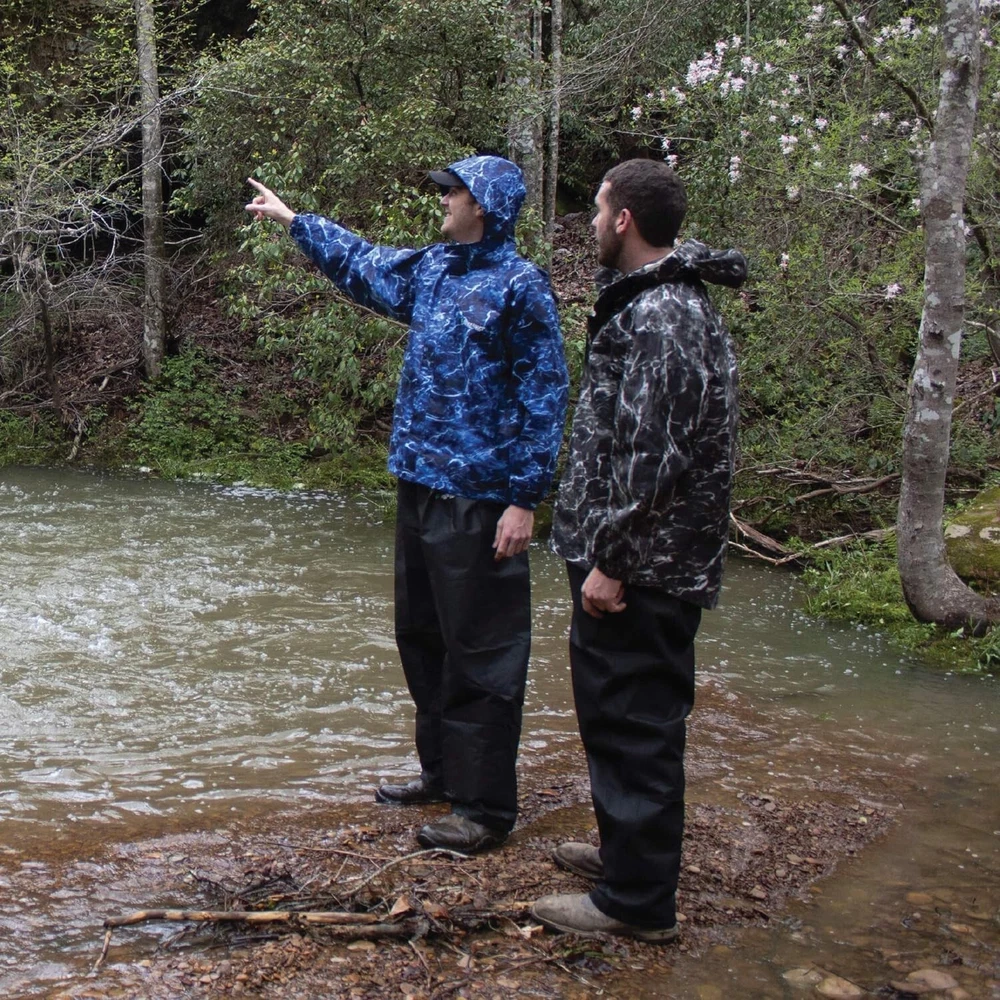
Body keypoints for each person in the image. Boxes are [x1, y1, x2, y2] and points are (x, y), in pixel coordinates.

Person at [245, 155, 568, 855]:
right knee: (422, 637)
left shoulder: (521, 286)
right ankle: (443, 775)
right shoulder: (433, 269)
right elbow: (364, 264)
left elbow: (545, 397)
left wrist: (525, 499)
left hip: (482, 496)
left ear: (484, 205)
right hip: (419, 483)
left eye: (454, 192)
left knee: (483, 652)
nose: (443, 200)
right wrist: (295, 221)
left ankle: (483, 810)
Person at [530, 159, 747, 939]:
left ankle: (637, 903)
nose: (591, 222)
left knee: (636, 723)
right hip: (635, 556)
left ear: (623, 219)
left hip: (645, 565)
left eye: (597, 210)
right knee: (614, 713)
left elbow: (656, 454)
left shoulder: (665, 316)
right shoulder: (652, 300)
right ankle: (624, 857)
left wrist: (612, 561)